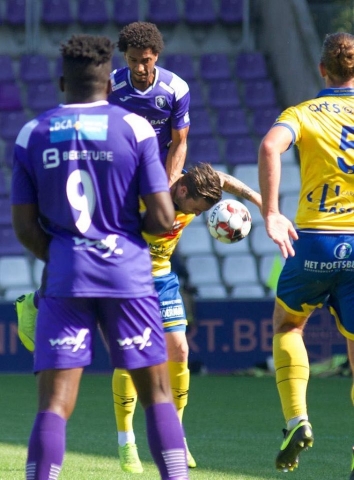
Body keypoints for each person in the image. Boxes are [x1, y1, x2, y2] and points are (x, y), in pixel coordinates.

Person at [11, 33, 190, 480]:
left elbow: (24, 227)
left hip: (67, 275)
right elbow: (164, 214)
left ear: (61, 82)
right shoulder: (133, 128)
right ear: (109, 84)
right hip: (127, 274)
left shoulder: (32, 133)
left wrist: (65, 255)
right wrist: (129, 235)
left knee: (53, 404)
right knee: (158, 395)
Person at [16, 163, 263, 474]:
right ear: (182, 190)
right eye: (196, 210)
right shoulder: (145, 190)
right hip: (126, 276)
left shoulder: (194, 187)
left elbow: (222, 179)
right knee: (129, 357)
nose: (197, 216)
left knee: (181, 352)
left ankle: (178, 436)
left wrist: (255, 197)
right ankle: (126, 440)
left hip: (161, 277)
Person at [258, 31, 354, 478]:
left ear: (322, 70)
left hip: (313, 238)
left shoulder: (304, 113)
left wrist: (273, 213)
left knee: (288, 324)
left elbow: (269, 147)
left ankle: (297, 419)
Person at [109, 21, 190, 186]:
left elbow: (179, 142)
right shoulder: (110, 86)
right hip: (122, 169)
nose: (139, 68)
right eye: (133, 60)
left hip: (160, 169)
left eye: (145, 60)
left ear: (156, 56)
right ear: (125, 56)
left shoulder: (176, 88)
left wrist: (168, 186)